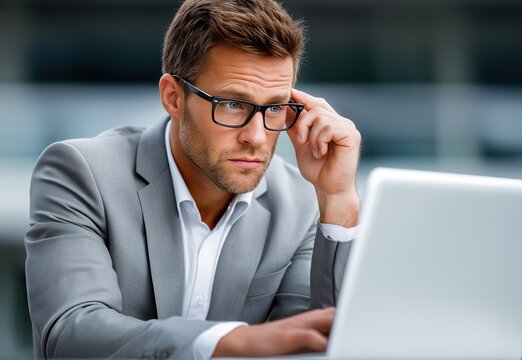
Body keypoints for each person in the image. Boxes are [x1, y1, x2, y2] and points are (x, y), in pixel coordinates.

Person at [24, 0, 361, 358]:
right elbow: (72, 333)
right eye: (232, 104)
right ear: (173, 97)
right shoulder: (82, 173)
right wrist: (228, 341)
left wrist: (336, 199)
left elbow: (319, 344)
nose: (258, 137)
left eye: (275, 108)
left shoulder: (299, 202)